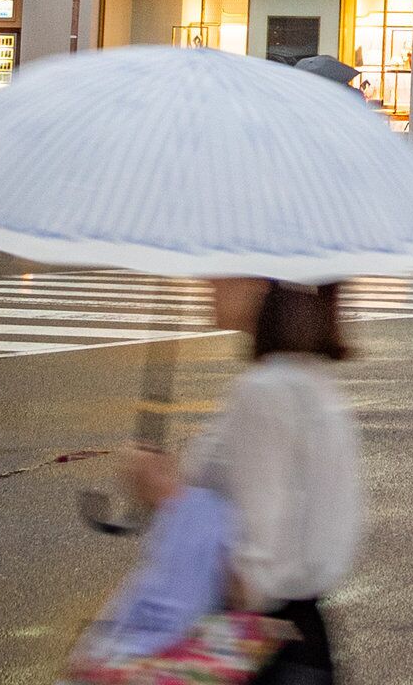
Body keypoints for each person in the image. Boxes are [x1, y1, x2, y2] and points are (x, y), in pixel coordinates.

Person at [118, 279, 365, 681]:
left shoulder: (263, 392)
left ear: (260, 281)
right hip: (303, 644)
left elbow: (254, 578)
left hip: (259, 652)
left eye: (223, 268)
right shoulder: (308, 377)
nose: (208, 280)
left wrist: (166, 496)